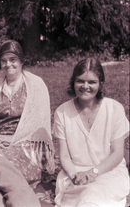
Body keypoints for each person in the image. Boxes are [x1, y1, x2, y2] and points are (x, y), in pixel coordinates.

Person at [53, 58, 130, 207]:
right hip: (74, 174)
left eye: (92, 82)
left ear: (100, 84)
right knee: (83, 196)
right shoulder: (62, 112)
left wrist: (93, 173)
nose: (85, 86)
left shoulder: (114, 109)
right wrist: (76, 175)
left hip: (108, 171)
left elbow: (117, 153)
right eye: (80, 81)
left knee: (92, 196)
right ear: (73, 82)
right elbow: (64, 156)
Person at [0, 40, 55, 187]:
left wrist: (14, 139)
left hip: (28, 146)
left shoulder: (36, 85)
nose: (8, 64)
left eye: (13, 60)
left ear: (21, 61)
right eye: (4, 61)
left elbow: (40, 127)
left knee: (4, 168)